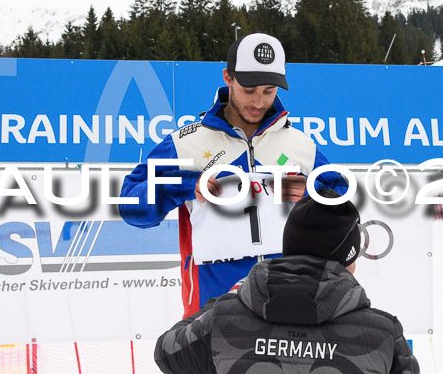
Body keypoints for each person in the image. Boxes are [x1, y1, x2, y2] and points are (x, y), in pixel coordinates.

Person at [119, 33, 348, 317]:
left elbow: (343, 205)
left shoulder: (300, 146)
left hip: (289, 303)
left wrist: (312, 194)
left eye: (268, 91)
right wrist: (189, 186)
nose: (258, 101)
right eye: (249, 89)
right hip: (212, 310)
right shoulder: (185, 143)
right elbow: (130, 206)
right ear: (228, 77)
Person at [154, 190, 420, 374]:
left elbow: (166, 352)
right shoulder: (383, 334)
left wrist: (223, 300)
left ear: (288, 247)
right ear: (349, 260)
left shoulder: (224, 319)